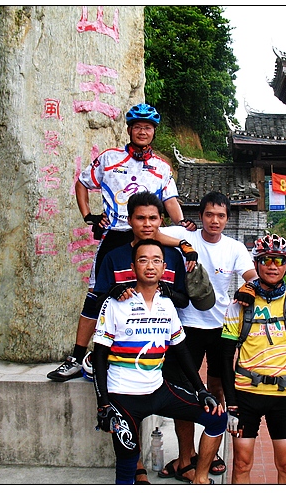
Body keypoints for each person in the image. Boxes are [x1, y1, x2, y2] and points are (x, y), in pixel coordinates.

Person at [48, 104, 196, 382]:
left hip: (150, 234)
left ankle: (149, 355)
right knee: (96, 296)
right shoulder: (110, 158)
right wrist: (88, 216)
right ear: (129, 129)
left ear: (154, 132)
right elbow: (82, 183)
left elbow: (170, 200)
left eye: (148, 128)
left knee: (151, 292)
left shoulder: (161, 167)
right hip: (116, 233)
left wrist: (182, 222)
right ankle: (76, 358)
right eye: (138, 127)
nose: (143, 132)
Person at [91, 239, 227, 485]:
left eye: (156, 260)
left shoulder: (167, 304)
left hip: (158, 390)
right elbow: (99, 355)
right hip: (123, 396)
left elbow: (181, 350)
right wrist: (103, 404)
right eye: (143, 260)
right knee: (126, 468)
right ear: (133, 267)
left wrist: (201, 390)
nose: (150, 266)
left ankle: (200, 478)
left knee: (217, 418)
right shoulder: (115, 302)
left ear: (165, 268)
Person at [157, 191, 257, 481]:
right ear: (200, 216)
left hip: (220, 329)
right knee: (184, 393)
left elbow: (252, 275)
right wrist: (183, 244)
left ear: (227, 218)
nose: (215, 220)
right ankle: (186, 457)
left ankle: (209, 453)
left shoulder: (234, 247)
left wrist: (248, 287)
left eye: (221, 215)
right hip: (186, 326)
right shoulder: (185, 235)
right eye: (209, 214)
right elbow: (151, 233)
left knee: (217, 389)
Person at [220, 234, 286, 484]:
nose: (273, 266)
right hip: (245, 395)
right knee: (241, 464)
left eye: (279, 260)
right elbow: (225, 357)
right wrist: (231, 404)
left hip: (282, 396)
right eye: (266, 260)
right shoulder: (239, 305)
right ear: (256, 264)